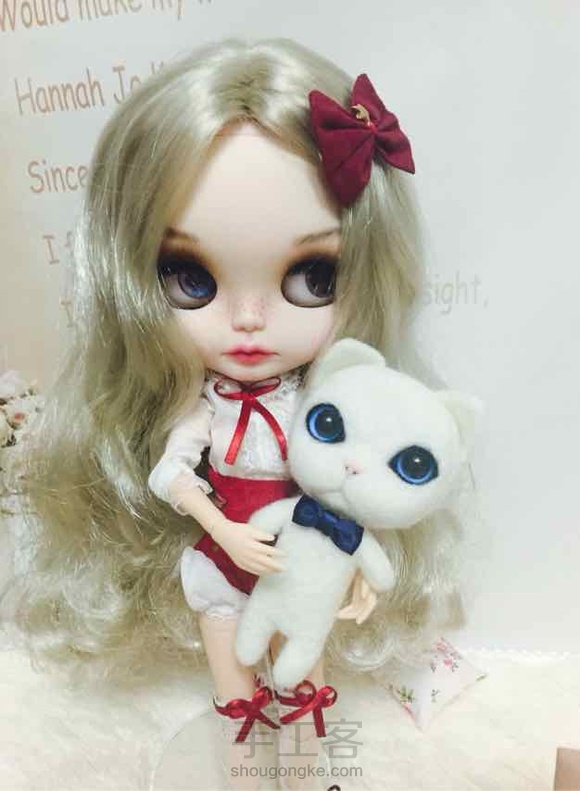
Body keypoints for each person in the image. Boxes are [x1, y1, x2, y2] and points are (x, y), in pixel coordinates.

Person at [10, 38, 464, 789]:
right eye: (190, 277)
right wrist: (223, 530)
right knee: (236, 689)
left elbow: (346, 482)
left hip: (304, 564)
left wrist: (360, 563)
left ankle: (307, 772)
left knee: (303, 681)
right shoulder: (204, 413)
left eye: (312, 275)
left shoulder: (324, 407)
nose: (248, 321)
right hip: (223, 565)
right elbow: (171, 476)